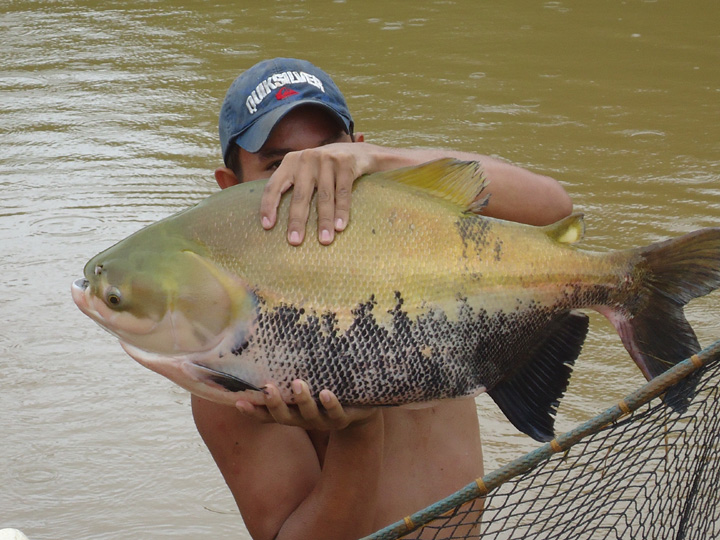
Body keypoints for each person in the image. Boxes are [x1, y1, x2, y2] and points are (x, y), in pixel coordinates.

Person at [192, 58, 573, 540]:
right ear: (231, 189)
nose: (313, 180)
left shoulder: (422, 243)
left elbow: (553, 207)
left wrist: (382, 164)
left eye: (330, 155)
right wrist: (358, 431)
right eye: (277, 165)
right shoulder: (229, 353)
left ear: (357, 152)